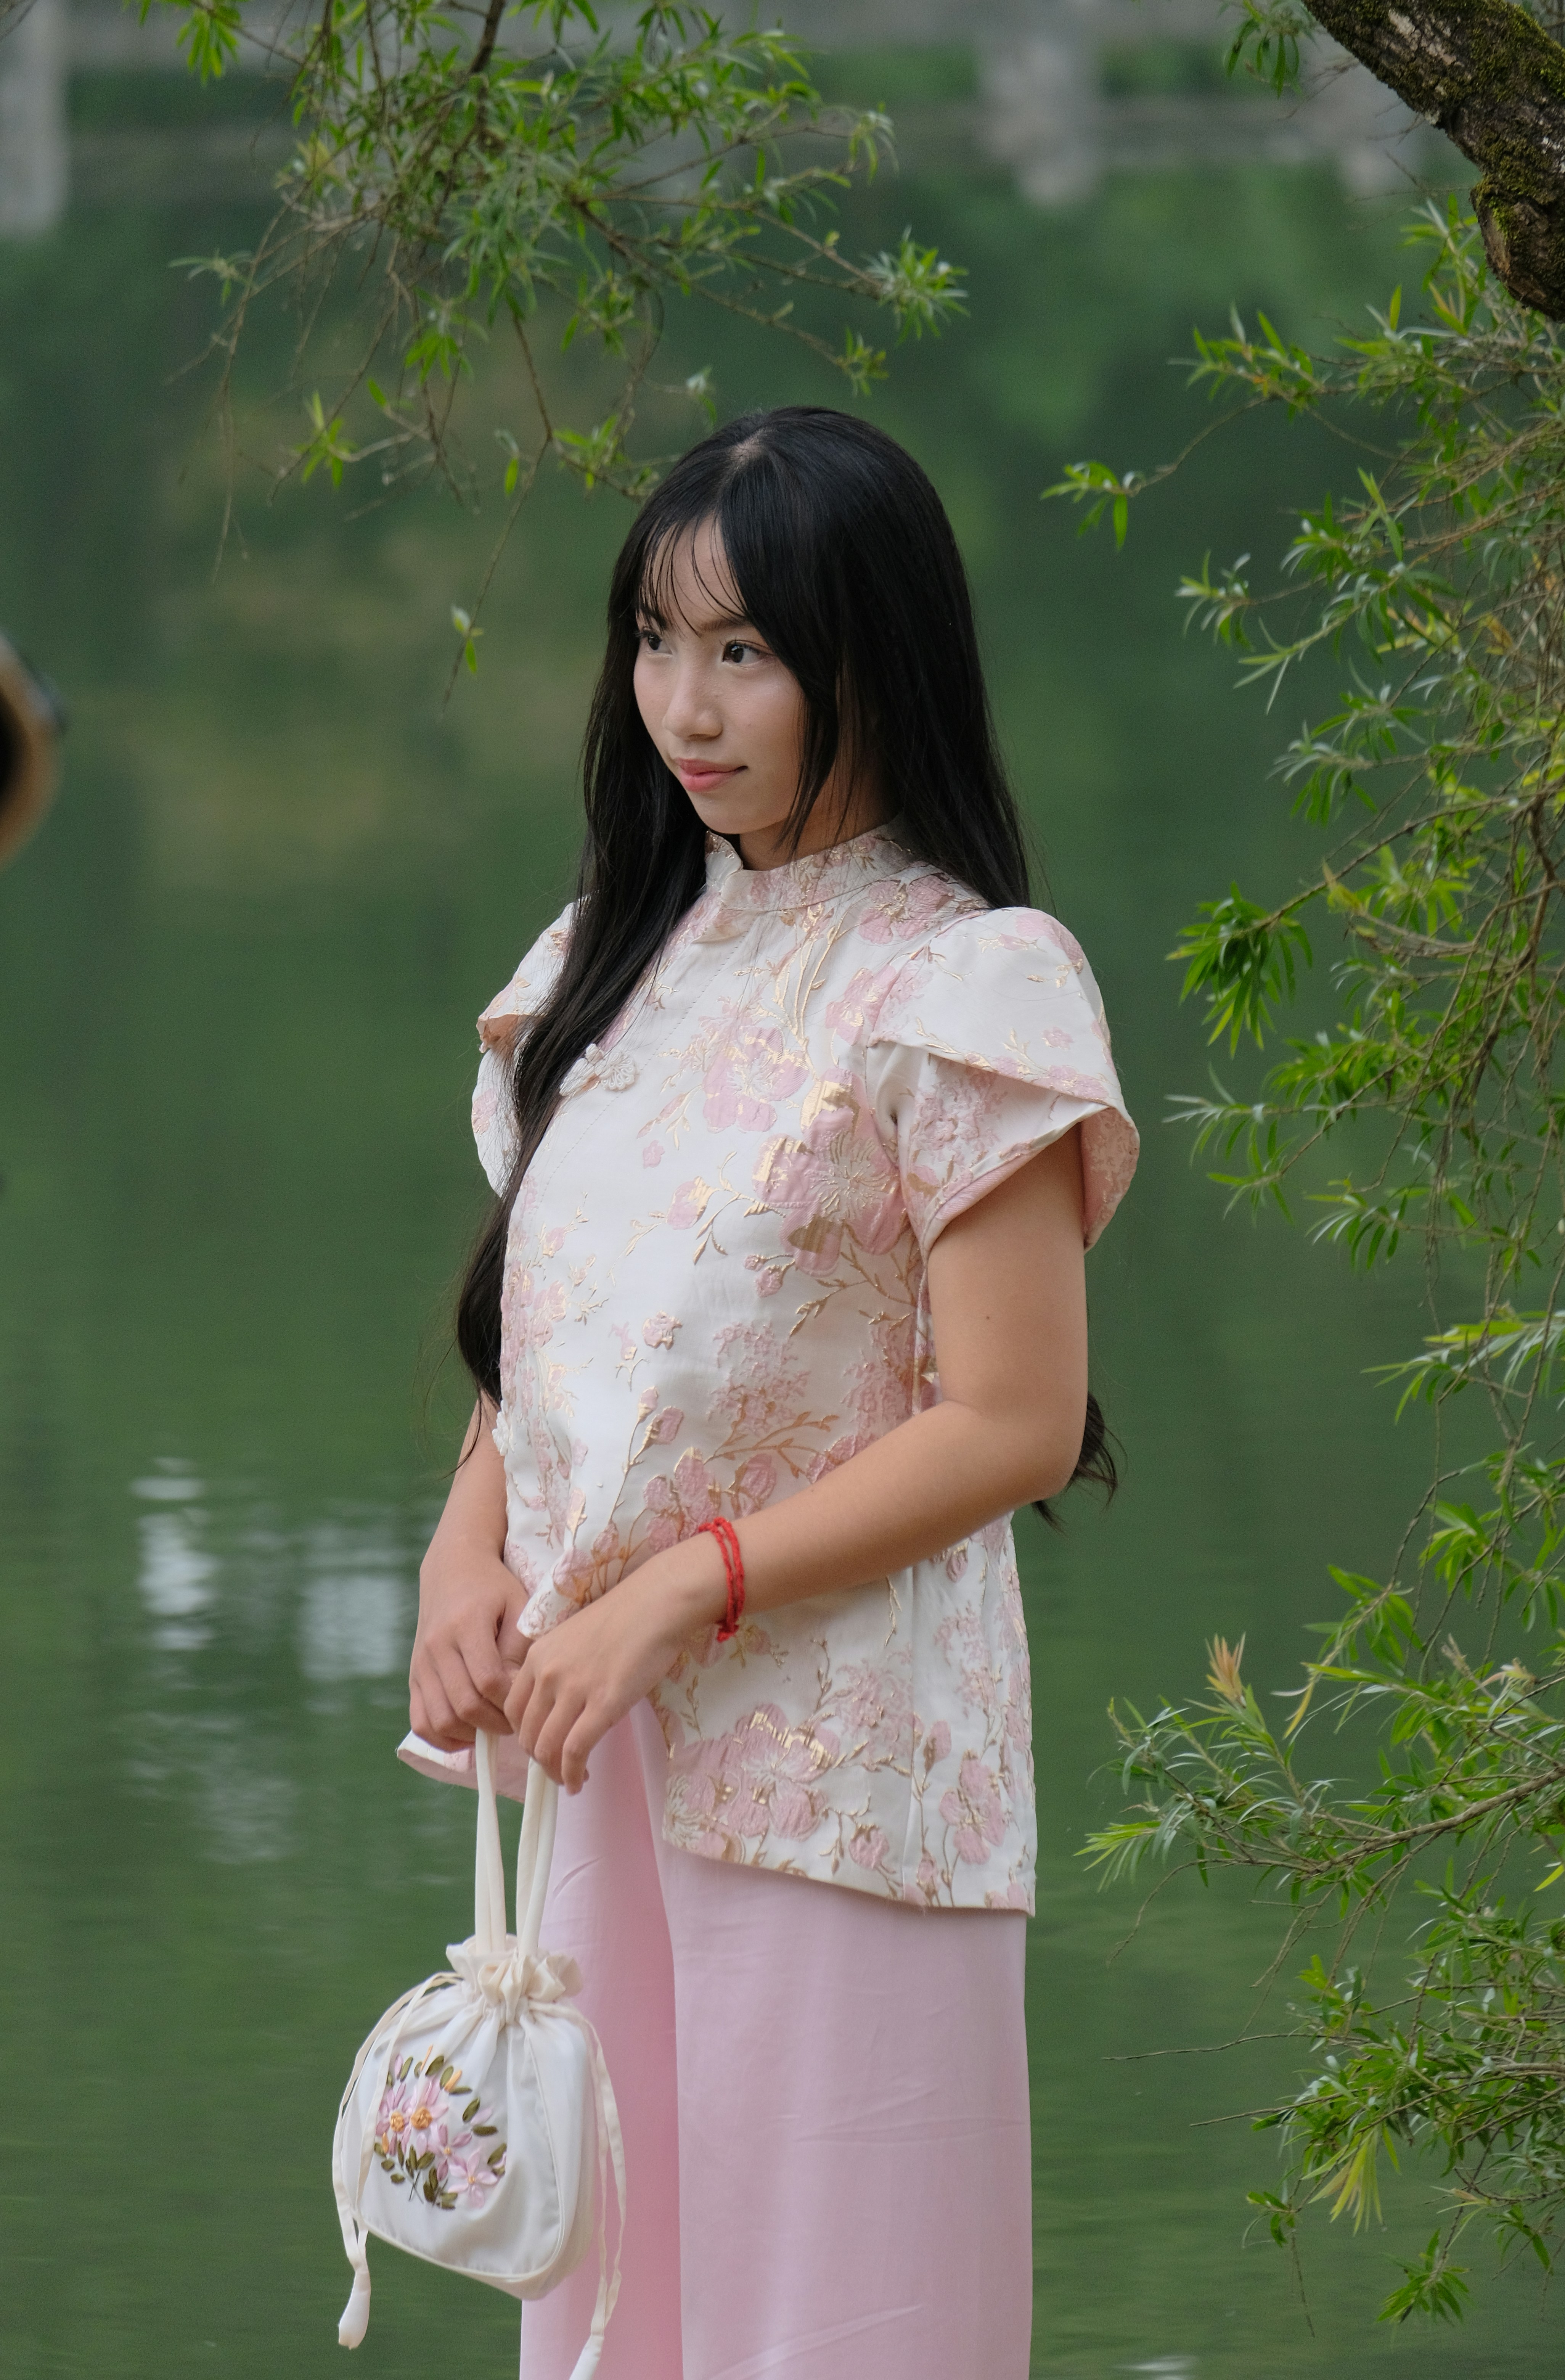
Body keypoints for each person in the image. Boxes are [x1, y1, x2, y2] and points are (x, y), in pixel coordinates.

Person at [399, 405, 1137, 2380]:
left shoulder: (969, 982)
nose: (683, 704)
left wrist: (675, 1589)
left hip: (854, 1768)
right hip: (610, 1744)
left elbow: (1013, 1423)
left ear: (871, 655)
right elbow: (564, 1335)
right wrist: (468, 1554)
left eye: (745, 651)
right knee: (614, 2303)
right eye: (654, 640)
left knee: (835, 2326)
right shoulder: (617, 960)